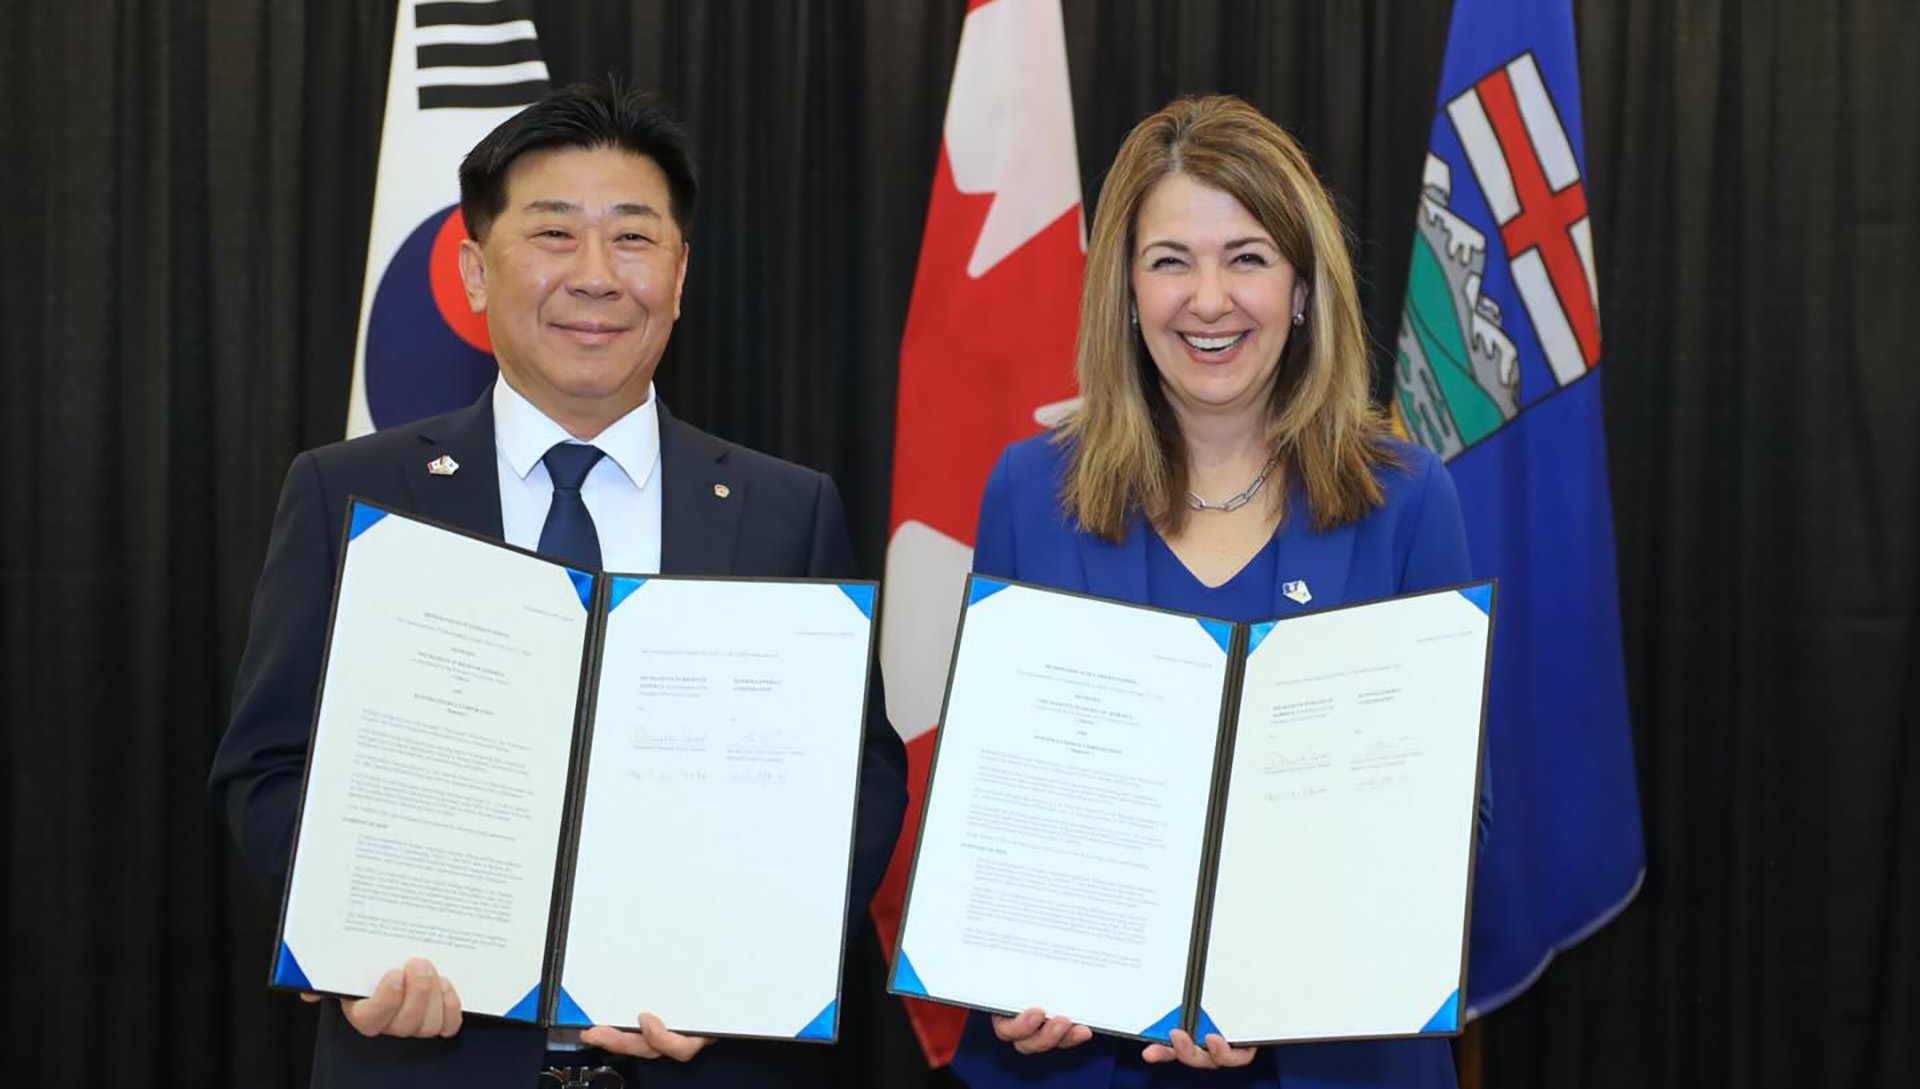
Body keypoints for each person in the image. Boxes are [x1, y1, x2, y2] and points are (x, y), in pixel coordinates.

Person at [206, 81, 907, 1089]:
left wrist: (754, 964)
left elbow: (861, 776)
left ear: (680, 274)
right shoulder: (350, 493)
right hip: (425, 1056)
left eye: (633, 238)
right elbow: (269, 766)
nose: (596, 276)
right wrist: (349, 940)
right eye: (552, 234)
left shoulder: (786, 510)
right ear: (474, 270)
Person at [948, 95, 1480, 1089]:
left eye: (1246, 257)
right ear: (1125, 290)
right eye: (1170, 261)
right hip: (1079, 1065)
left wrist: (1278, 985)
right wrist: (1014, 968)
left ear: (1303, 286)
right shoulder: (1028, 492)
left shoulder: (1409, 502)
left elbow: (1453, 825)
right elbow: (996, 804)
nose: (1208, 299)